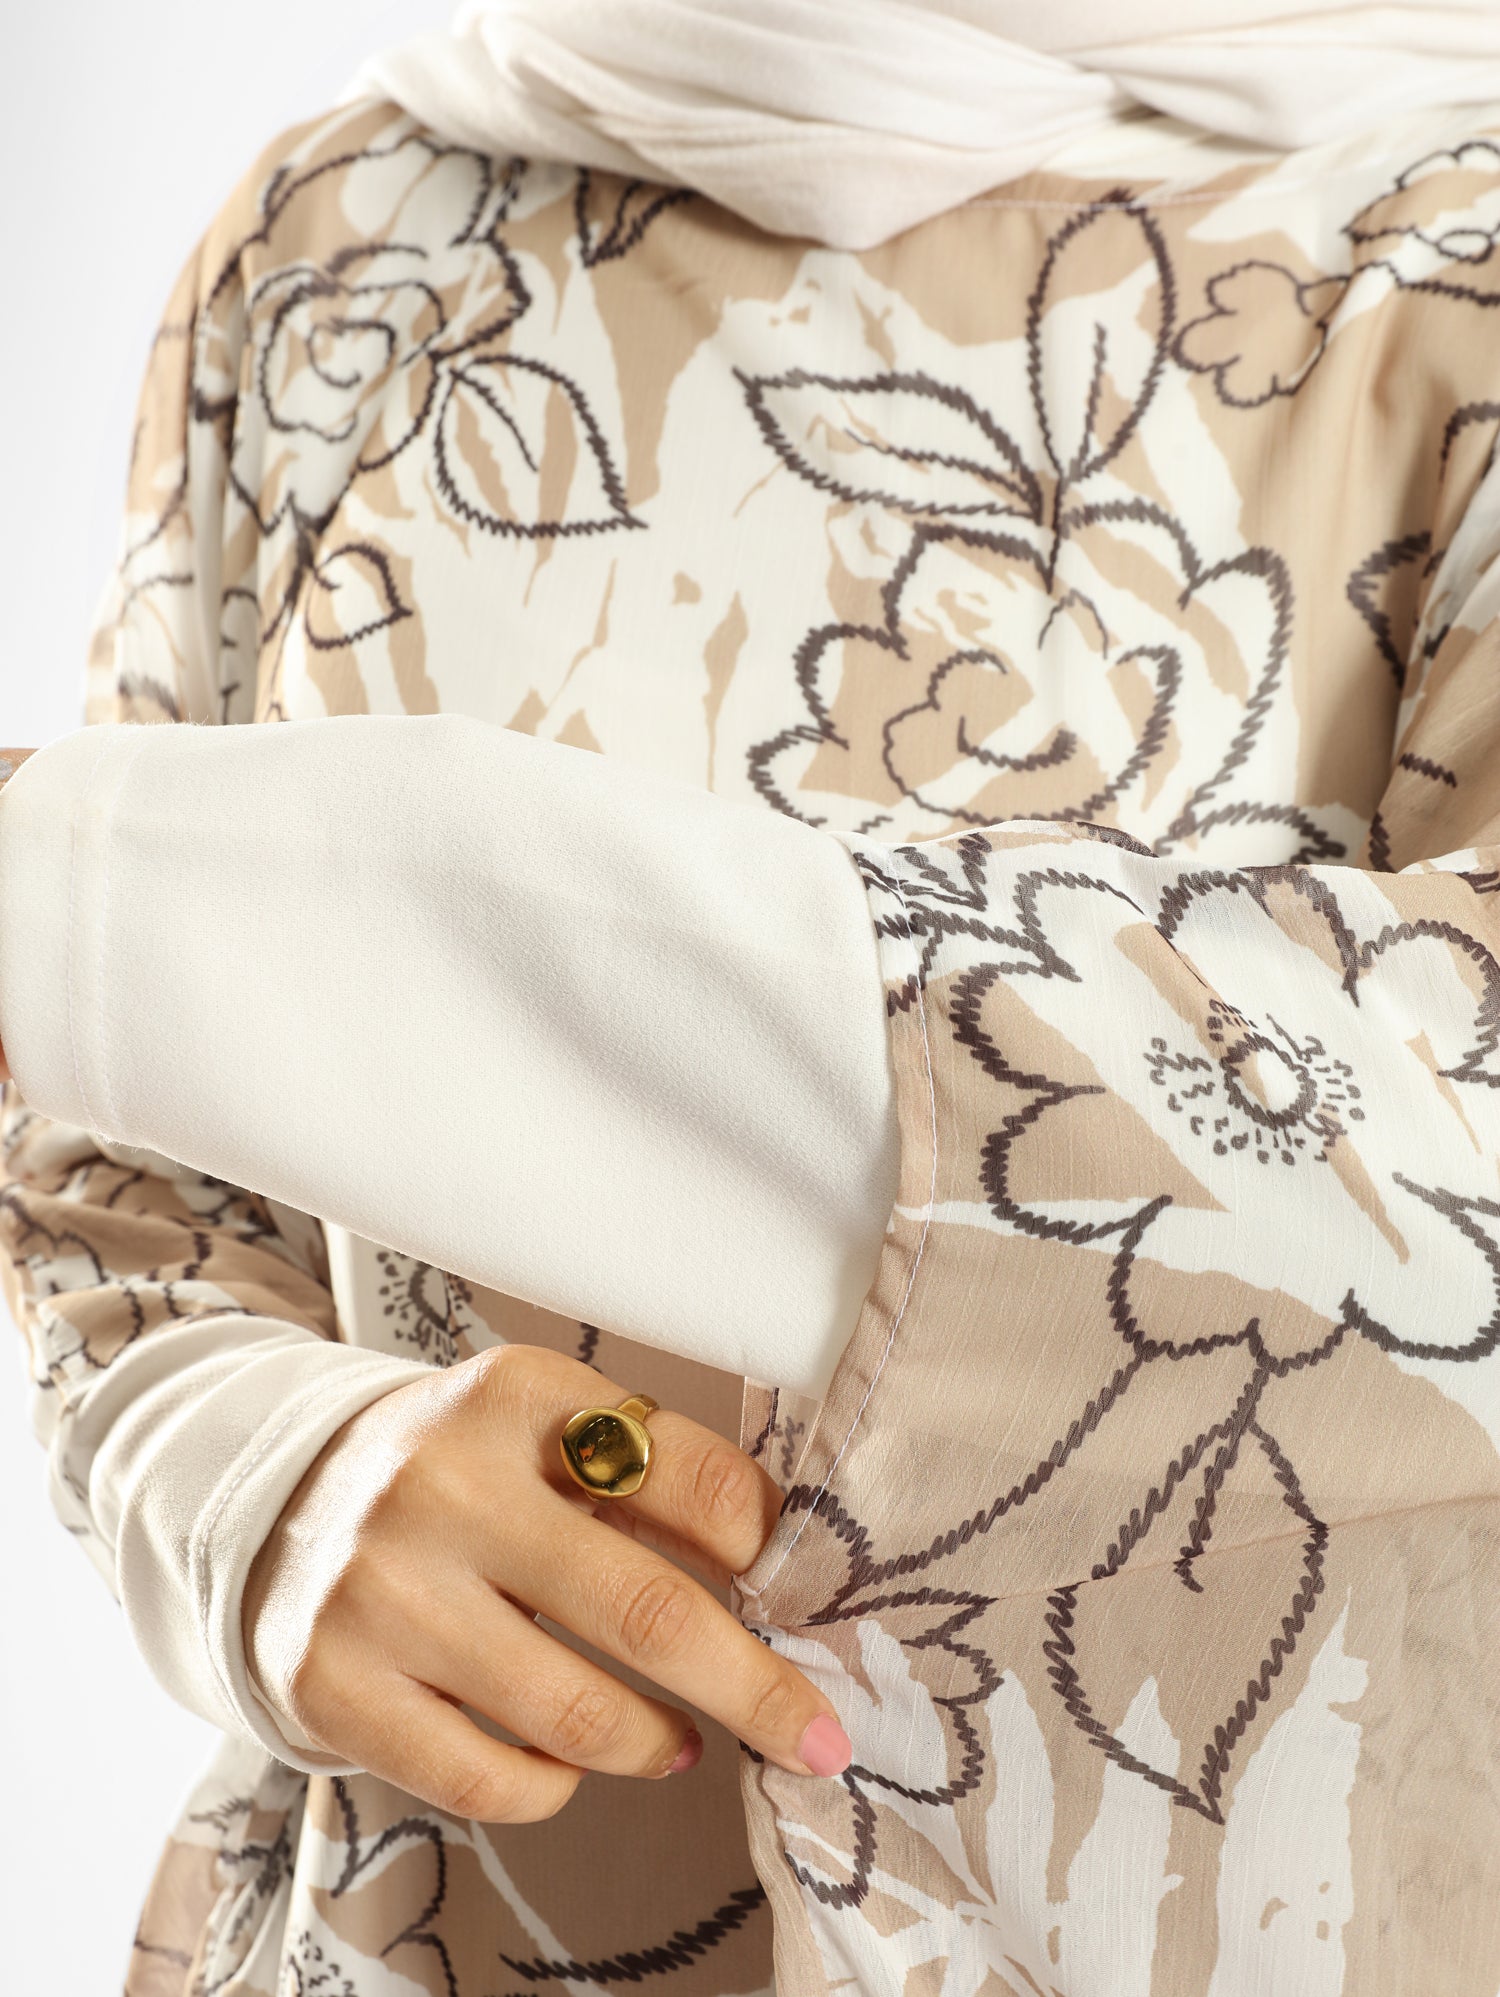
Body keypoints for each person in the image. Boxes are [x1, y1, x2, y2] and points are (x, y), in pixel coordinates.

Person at [6, 3, 1500, 1991]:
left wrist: (93, 899)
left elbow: (1436, 1151)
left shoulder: (1456, 253)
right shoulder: (346, 227)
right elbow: (115, 1159)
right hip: (441, 1917)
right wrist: (253, 1470)